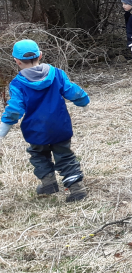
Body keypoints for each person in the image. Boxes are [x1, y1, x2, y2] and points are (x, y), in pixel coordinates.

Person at [0, 40, 90, 202]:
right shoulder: (57, 74)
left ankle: (48, 182)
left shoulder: (18, 84)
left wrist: (4, 127)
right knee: (65, 156)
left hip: (36, 130)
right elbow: (72, 91)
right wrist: (83, 101)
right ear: (40, 55)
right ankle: (76, 188)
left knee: (39, 154)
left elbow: (14, 108)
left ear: (16, 60)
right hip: (60, 127)